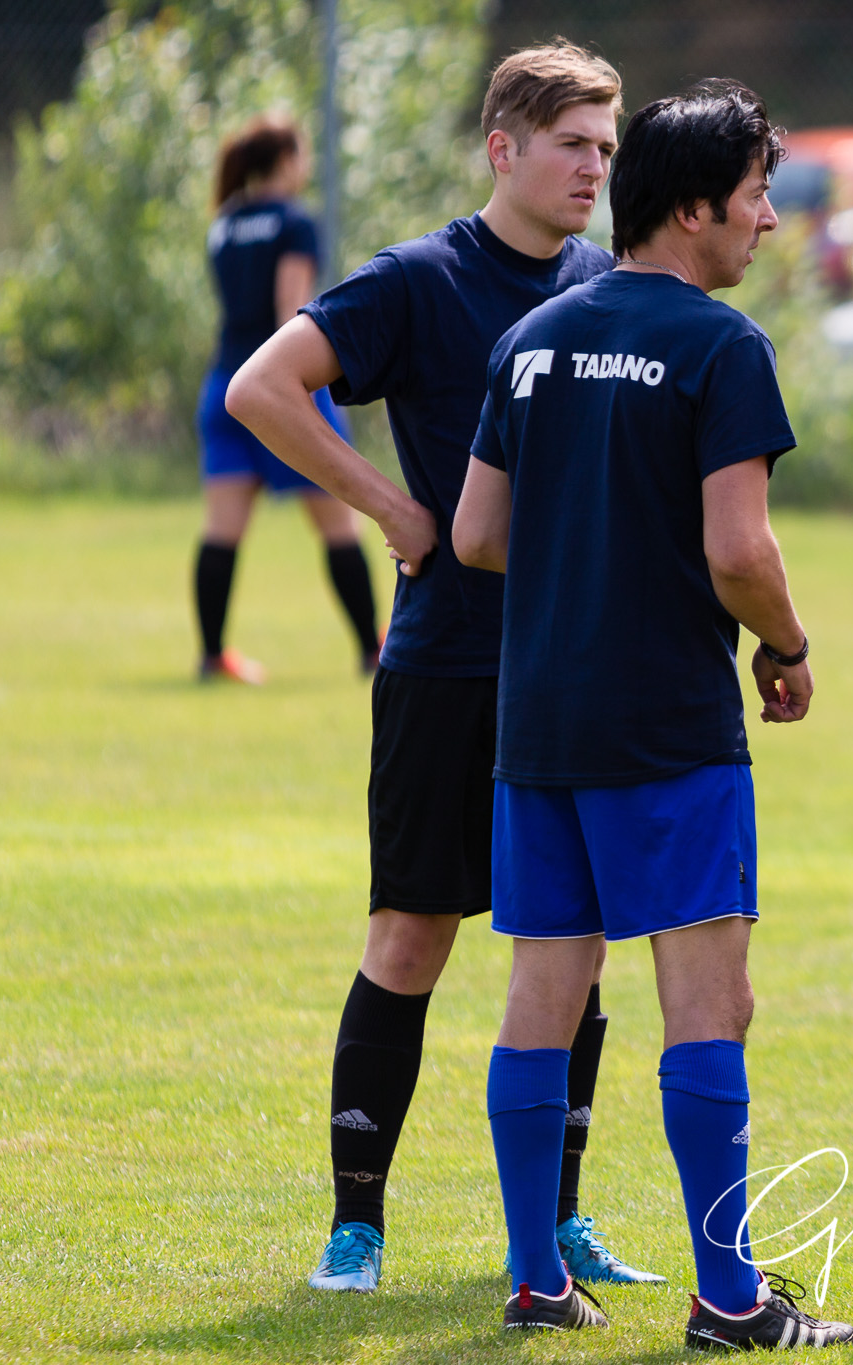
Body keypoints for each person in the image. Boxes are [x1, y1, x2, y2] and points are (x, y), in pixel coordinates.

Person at [225, 43, 658, 1294]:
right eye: (573, 143)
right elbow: (266, 387)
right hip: (447, 668)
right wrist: (391, 509)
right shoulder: (418, 281)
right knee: (411, 936)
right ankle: (356, 1225)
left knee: (569, 949)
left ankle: (561, 1224)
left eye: (606, 146)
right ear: (503, 148)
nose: (594, 168)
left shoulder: (606, 287)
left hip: (573, 676)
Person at [452, 79, 853, 1349]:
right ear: (692, 210)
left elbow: (474, 535)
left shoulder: (530, 339)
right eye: (754, 199)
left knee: (542, 997)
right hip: (668, 727)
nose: (768, 226)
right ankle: (730, 1299)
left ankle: (533, 1279)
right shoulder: (719, 347)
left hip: (540, 725)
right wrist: (784, 646)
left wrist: (587, 559)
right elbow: (739, 551)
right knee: (708, 1006)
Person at [194, 116, 377, 683]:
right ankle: (374, 652)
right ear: (286, 160)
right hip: (278, 388)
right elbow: (288, 314)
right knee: (340, 526)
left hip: (225, 387)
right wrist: (311, 398)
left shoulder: (223, 224)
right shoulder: (295, 223)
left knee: (223, 529)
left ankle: (211, 656)